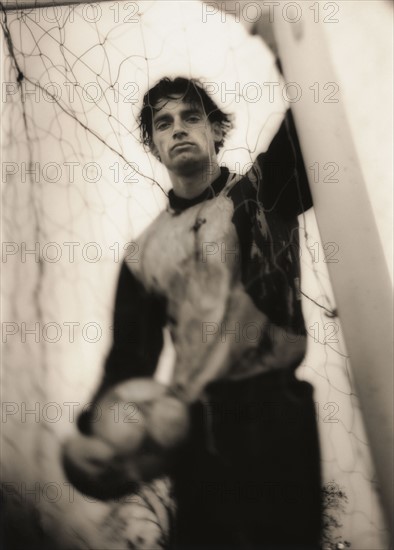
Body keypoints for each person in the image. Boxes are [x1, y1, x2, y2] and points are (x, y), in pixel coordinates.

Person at [64, 76, 322, 548]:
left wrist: (292, 41)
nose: (178, 129)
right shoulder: (143, 254)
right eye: (164, 123)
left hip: (274, 416)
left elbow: (311, 124)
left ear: (217, 131)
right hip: (193, 432)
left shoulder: (263, 191)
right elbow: (130, 359)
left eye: (192, 117)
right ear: (155, 145)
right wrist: (99, 431)